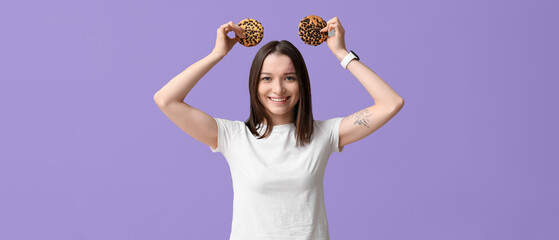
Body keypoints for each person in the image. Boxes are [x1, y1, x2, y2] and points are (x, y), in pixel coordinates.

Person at [154, 17, 404, 240]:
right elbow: (166, 99)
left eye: (289, 77)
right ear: (255, 85)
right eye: (267, 78)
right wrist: (217, 54)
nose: (278, 89)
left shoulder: (324, 135)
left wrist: (342, 54)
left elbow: (390, 103)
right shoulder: (233, 137)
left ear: (302, 83)